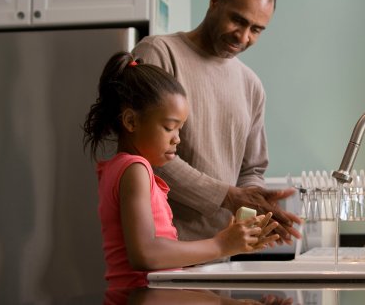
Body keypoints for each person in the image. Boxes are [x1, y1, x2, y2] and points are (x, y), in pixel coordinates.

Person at [132, 0, 302, 244]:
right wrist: (228, 196)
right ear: (215, 1)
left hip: (221, 252)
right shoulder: (158, 54)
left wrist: (256, 209)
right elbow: (146, 153)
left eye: (256, 29)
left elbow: (252, 170)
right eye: (238, 20)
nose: (243, 36)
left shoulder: (251, 85)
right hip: (162, 249)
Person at [83, 51, 279, 289]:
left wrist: (229, 240)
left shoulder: (122, 168)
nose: (178, 139)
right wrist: (220, 245)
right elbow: (146, 254)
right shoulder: (135, 169)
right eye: (169, 128)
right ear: (131, 122)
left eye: (180, 129)